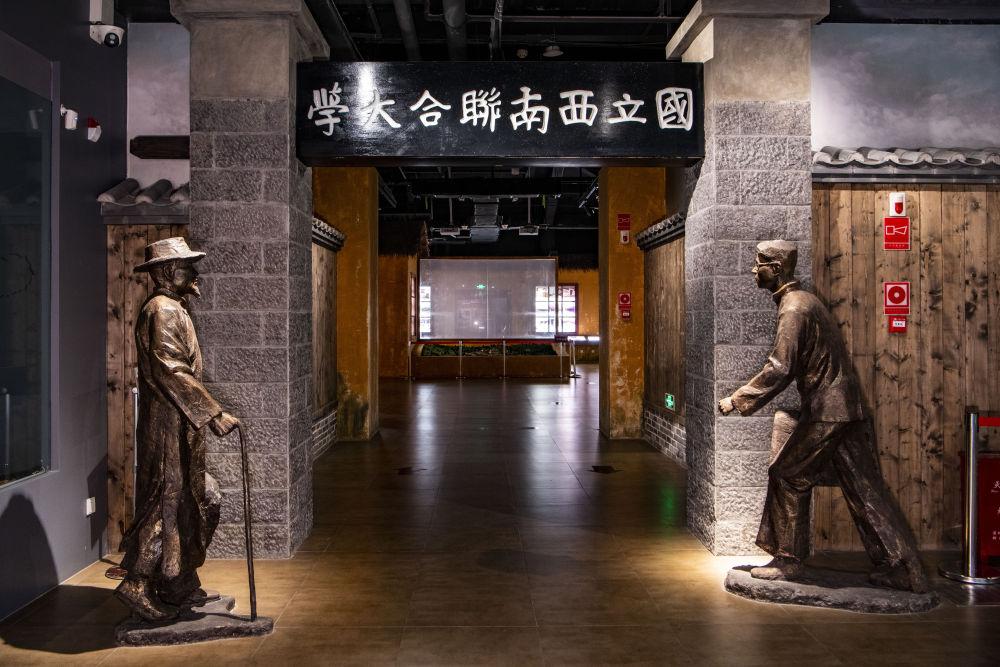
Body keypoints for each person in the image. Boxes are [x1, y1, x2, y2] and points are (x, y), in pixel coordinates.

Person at [718, 240, 927, 593]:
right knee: (863, 488)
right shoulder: (805, 301)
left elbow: (780, 367)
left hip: (828, 410)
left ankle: (788, 560)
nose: (754, 269)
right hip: (845, 408)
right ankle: (903, 567)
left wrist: (737, 400)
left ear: (777, 269)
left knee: (787, 475)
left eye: (759, 263)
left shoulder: (794, 309)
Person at [116, 237, 240, 621]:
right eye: (188, 266)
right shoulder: (163, 311)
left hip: (178, 424)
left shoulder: (174, 308)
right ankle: (137, 582)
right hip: (168, 427)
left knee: (193, 498)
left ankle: (177, 580)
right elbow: (171, 370)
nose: (195, 272)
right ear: (169, 271)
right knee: (166, 503)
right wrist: (213, 414)